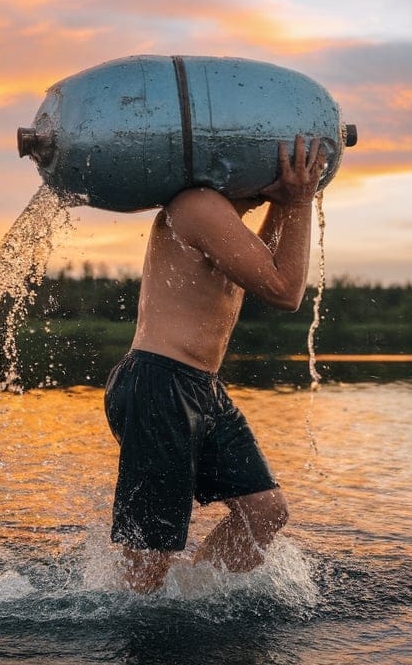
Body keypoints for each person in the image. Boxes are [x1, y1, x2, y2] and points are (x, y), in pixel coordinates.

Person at [104, 134, 327, 593]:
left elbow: (262, 266)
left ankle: (189, 598)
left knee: (264, 511)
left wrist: (285, 203)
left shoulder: (216, 215)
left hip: (199, 386)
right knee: (149, 559)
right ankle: (129, 621)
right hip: (159, 382)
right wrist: (301, 201)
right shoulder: (198, 204)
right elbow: (285, 291)